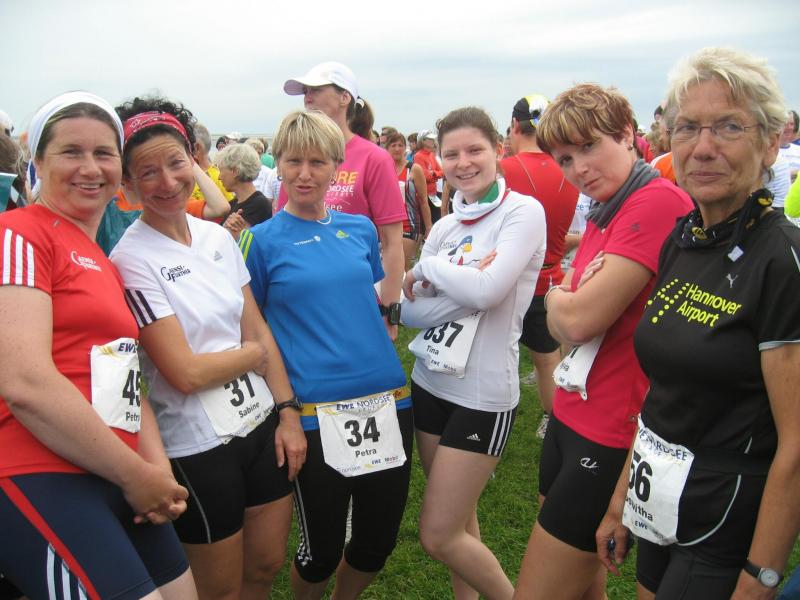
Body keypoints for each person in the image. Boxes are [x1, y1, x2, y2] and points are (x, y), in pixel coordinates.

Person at [596, 46, 800, 600]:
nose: (703, 147)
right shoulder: (683, 239)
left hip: (724, 514)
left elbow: (796, 444)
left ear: (770, 142)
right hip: (658, 499)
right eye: (687, 127)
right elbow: (662, 392)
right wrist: (622, 499)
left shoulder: (781, 261)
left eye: (729, 126)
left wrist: (762, 576)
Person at [0, 91, 197, 599]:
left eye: (104, 153)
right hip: (41, 470)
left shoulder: (103, 262)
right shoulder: (19, 233)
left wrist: (156, 471)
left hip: (118, 470)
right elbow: (25, 383)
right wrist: (136, 475)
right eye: (71, 152)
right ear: (38, 161)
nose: (90, 168)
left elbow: (126, 377)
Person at [110, 96, 305, 600]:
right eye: (147, 172)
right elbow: (186, 373)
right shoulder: (130, 260)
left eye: (176, 163)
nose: (167, 181)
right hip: (197, 447)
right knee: (218, 589)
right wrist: (252, 357)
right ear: (127, 184)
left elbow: (256, 325)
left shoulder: (215, 237)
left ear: (194, 161)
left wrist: (287, 412)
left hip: (261, 425)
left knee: (265, 566)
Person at [512, 83, 693, 600]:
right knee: (583, 583)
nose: (580, 169)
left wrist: (561, 295)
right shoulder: (608, 207)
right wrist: (568, 296)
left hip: (613, 429)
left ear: (627, 135)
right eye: (565, 159)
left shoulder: (655, 201)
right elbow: (570, 304)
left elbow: (575, 321)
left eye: (590, 146)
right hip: (573, 412)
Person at [239, 110, 412, 600]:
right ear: (278, 164)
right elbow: (253, 330)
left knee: (377, 543)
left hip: (387, 401)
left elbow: (364, 299)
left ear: (337, 166)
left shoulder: (359, 229)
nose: (305, 174)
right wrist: (285, 410)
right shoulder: (259, 241)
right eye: (294, 161)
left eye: (317, 162)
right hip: (315, 412)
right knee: (322, 550)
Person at [401, 106, 546, 600]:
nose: (463, 163)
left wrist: (430, 271)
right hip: (430, 383)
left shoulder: (522, 213)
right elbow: (409, 311)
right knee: (461, 522)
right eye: (451, 154)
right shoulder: (446, 227)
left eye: (474, 150)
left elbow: (487, 291)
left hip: (481, 396)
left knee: (438, 534)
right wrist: (468, 286)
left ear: (498, 150)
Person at [278, 61, 406, 340]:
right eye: (305, 91)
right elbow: (282, 229)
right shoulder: (296, 161)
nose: (307, 97)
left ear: (345, 97)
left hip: (355, 294)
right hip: (301, 295)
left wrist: (389, 311)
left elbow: (392, 242)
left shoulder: (373, 158)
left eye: (315, 89)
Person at [501, 93, 579, 439]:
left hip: (511, 278)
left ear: (514, 126)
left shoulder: (505, 169)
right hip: (552, 277)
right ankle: (555, 418)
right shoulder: (567, 168)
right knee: (548, 357)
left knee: (502, 354)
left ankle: (551, 421)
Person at [386, 131, 432, 269]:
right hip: (386, 224)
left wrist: (428, 227)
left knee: (402, 267)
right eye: (393, 145)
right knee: (387, 268)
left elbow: (423, 200)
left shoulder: (413, 169)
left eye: (400, 145)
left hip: (409, 224)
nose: (397, 149)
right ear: (387, 148)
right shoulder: (383, 168)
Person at [215, 143, 273, 239]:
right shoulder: (233, 203)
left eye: (221, 171)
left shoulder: (259, 205)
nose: (219, 177)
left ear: (235, 171)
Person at [414, 129, 444, 222]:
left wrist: (433, 174)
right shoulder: (418, 156)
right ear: (423, 141)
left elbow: (442, 172)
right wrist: (435, 175)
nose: (433, 141)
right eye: (430, 139)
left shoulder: (431, 155)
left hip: (433, 194)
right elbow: (424, 176)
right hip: (424, 195)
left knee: (437, 219)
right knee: (427, 221)